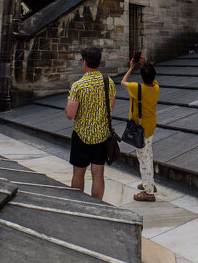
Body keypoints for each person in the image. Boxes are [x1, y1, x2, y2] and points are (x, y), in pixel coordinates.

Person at [65, 46, 116, 200]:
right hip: (102, 134)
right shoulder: (108, 82)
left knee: (79, 172)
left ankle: (79, 204)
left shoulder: (78, 86)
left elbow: (70, 114)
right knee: (98, 173)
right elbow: (111, 106)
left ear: (85, 62)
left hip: (82, 135)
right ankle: (97, 205)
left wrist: (69, 101)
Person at [121, 53, 160, 202]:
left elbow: (123, 81)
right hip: (150, 126)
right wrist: (144, 65)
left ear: (142, 78)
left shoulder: (137, 89)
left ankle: (149, 192)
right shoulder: (156, 87)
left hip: (140, 129)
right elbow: (150, 76)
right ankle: (149, 182)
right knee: (148, 154)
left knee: (143, 158)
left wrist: (131, 68)